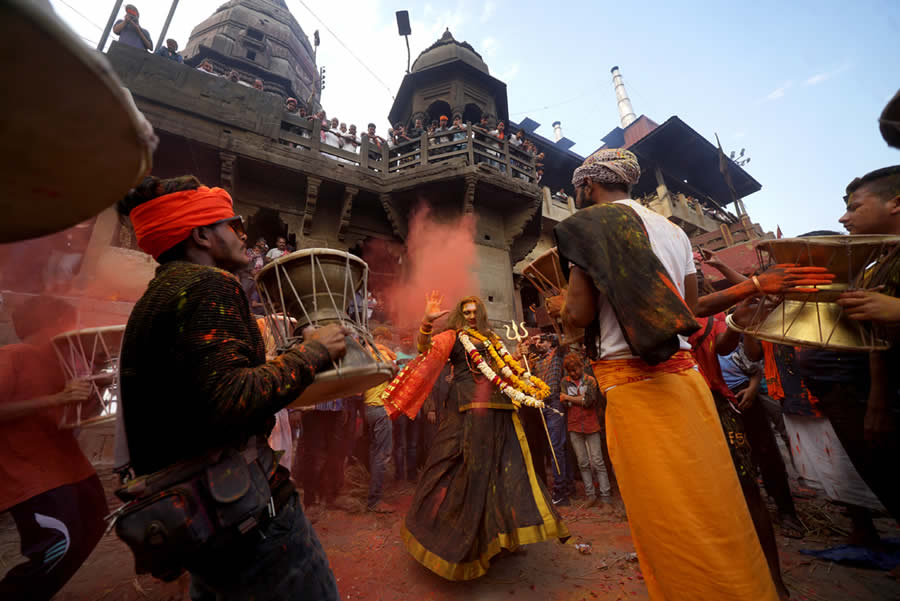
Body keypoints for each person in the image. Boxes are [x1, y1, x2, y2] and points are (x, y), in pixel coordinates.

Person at [558, 148, 779, 600]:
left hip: (632, 385)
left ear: (587, 185)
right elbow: (691, 310)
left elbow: (579, 315)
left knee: (666, 516)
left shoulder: (586, 226)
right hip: (686, 380)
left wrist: (563, 311)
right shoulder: (675, 231)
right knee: (711, 503)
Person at [117, 175, 347, 600]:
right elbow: (231, 397)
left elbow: (204, 396)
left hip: (203, 522)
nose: (244, 235)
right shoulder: (209, 284)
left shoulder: (153, 300)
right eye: (231, 224)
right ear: (202, 235)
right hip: (250, 522)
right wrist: (314, 352)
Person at [382, 292, 568, 580]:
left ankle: (506, 537)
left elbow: (503, 371)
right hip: (467, 413)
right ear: (460, 315)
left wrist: (516, 359)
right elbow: (426, 350)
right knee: (468, 473)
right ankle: (464, 544)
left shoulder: (493, 341)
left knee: (505, 472)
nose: (470, 316)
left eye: (474, 312)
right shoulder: (454, 337)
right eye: (465, 312)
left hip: (501, 411)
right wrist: (427, 323)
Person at [0, 298, 108, 601]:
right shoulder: (12, 355)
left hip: (70, 466)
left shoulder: (64, 363)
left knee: (95, 524)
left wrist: (99, 378)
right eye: (69, 323)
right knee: (59, 546)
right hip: (28, 473)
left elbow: (82, 414)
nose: (75, 331)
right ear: (49, 325)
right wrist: (56, 399)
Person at [560, 352, 610, 507]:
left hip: (591, 424)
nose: (573, 373)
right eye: (570, 371)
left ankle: (606, 495)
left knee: (598, 461)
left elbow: (588, 401)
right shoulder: (564, 382)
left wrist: (569, 398)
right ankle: (590, 495)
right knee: (583, 462)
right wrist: (576, 400)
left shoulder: (590, 380)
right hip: (574, 425)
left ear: (581, 366)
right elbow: (564, 404)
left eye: (575, 370)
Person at [534, 334, 572, 505]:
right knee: (555, 446)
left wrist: (547, 336)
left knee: (556, 447)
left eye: (542, 341)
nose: (538, 344)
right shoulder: (538, 362)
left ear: (551, 343)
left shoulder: (557, 356)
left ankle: (561, 491)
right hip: (542, 405)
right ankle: (567, 486)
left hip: (555, 403)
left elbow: (564, 339)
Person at [362, 327, 397, 512]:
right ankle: (375, 500)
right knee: (382, 455)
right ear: (381, 338)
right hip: (380, 408)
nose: (390, 344)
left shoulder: (365, 355)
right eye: (388, 340)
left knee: (375, 451)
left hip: (368, 407)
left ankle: (372, 494)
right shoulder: (381, 353)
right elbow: (395, 368)